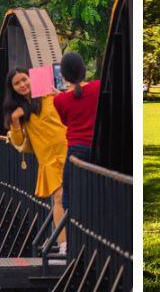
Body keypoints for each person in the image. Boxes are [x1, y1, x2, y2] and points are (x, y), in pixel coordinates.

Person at [3, 67, 68, 250]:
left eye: (24, 79)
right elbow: (18, 142)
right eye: (17, 83)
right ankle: (64, 245)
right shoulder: (18, 111)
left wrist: (61, 95)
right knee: (59, 198)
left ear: (31, 78)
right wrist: (15, 121)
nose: (22, 85)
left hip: (69, 152)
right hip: (48, 160)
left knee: (77, 198)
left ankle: (79, 240)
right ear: (12, 88)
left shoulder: (50, 97)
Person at [49, 52, 100, 210]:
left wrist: (62, 95)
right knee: (97, 192)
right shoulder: (98, 86)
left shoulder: (59, 100)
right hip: (98, 146)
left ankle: (74, 231)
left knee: (70, 198)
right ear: (83, 69)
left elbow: (66, 122)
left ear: (63, 75)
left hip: (76, 150)